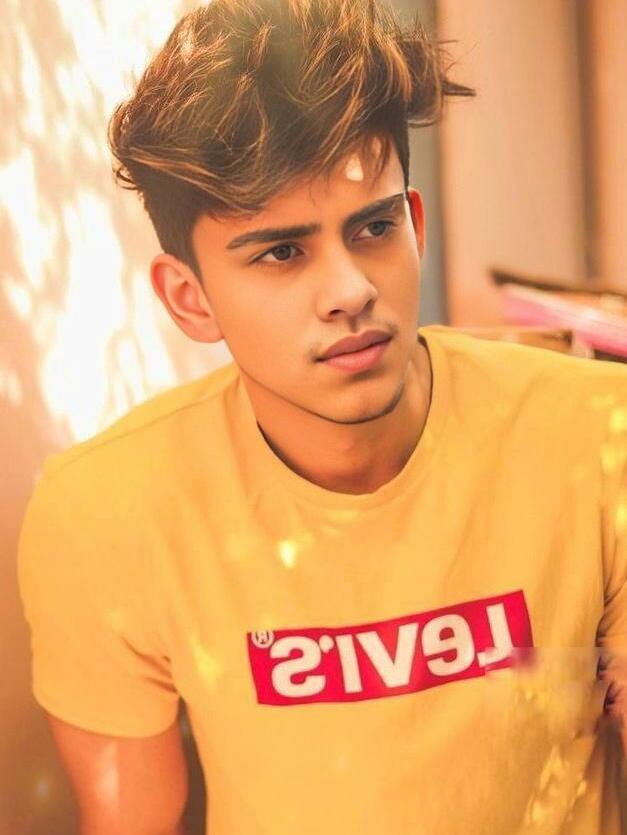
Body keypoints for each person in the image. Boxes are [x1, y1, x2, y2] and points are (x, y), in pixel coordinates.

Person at [17, 0, 627, 833]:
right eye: (281, 251)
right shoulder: (105, 511)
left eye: (373, 227)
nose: (350, 290)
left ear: (414, 226)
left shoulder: (596, 436)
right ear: (190, 298)